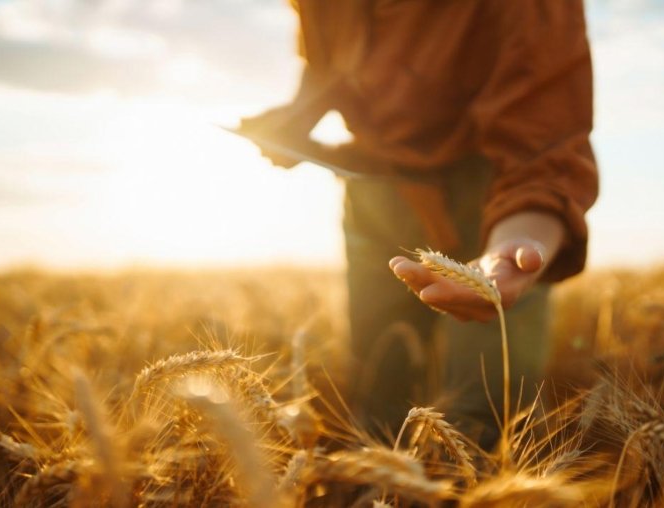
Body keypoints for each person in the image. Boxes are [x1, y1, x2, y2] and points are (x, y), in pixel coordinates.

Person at [239, 0, 598, 449]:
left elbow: (546, 144)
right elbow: (328, 61)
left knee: (485, 415)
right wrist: (295, 119)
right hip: (374, 189)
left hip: (494, 199)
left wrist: (516, 242)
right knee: (378, 397)